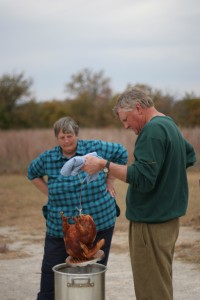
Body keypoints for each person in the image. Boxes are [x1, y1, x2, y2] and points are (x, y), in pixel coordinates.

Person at [82, 88, 196, 300]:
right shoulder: (168, 123)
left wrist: (103, 165)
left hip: (151, 223)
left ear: (138, 108)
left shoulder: (151, 131)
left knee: (151, 290)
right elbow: (188, 156)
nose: (126, 126)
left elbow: (143, 178)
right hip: (168, 221)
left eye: (126, 119)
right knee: (160, 282)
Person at [27, 116, 128, 300]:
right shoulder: (48, 158)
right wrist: (49, 192)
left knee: (93, 269)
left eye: (69, 136)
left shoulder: (94, 148)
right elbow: (32, 173)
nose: (66, 141)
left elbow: (121, 152)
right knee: (50, 270)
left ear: (76, 134)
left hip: (99, 221)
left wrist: (110, 179)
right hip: (60, 227)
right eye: (62, 137)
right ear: (57, 138)